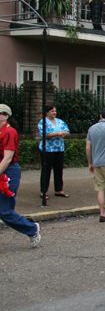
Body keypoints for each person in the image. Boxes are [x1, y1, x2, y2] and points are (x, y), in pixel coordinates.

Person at [0, 104, 41, 248]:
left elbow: (7, 158)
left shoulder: (9, 132)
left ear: (6, 116)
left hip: (8, 172)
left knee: (4, 211)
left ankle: (31, 229)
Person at [38, 104, 70, 200]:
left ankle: (58, 189)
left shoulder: (60, 121)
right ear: (47, 112)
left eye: (55, 111)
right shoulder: (43, 122)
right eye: (52, 111)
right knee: (46, 170)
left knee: (58, 169)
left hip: (59, 148)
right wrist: (58, 133)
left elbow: (67, 131)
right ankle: (43, 191)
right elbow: (45, 134)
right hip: (47, 149)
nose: (54, 113)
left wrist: (65, 133)